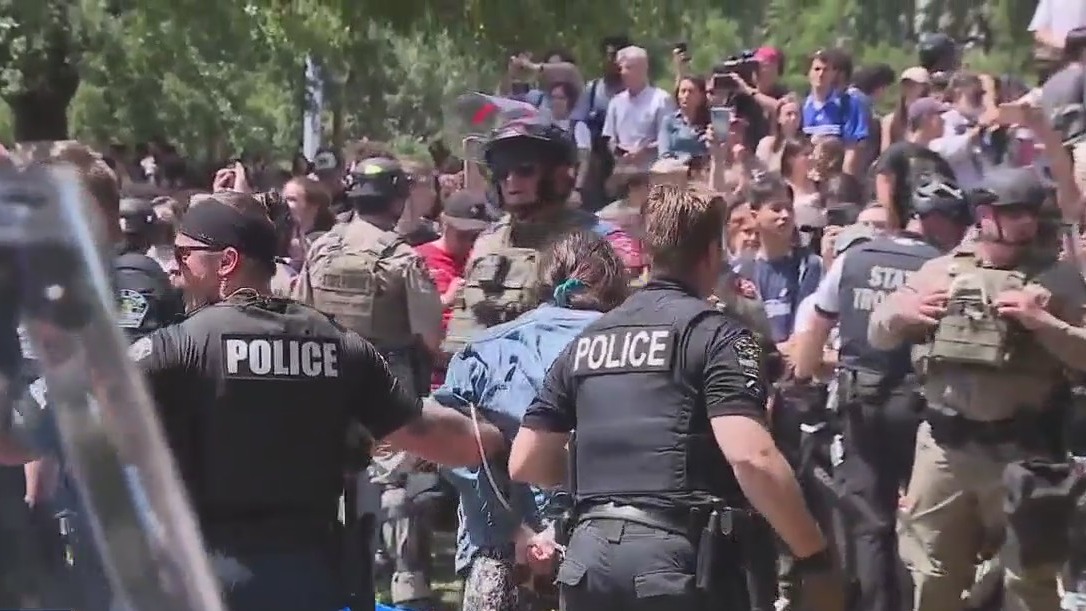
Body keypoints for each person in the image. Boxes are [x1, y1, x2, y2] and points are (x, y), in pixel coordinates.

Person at [135, 190, 508, 611]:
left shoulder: (179, 346)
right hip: (311, 574)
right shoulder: (339, 345)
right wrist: (502, 438)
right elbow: (423, 430)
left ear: (226, 262)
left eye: (185, 255)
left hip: (207, 574)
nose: (175, 267)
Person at [507, 184, 844, 611]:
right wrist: (814, 555)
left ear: (649, 255)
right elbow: (751, 458)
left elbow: (526, 461)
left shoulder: (590, 339)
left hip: (588, 560)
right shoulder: (719, 335)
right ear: (710, 254)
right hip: (677, 563)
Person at [869, 167, 1086, 611]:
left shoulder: (1057, 279)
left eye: (1031, 212)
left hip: (1023, 452)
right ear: (985, 215)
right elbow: (879, 332)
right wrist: (903, 313)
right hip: (945, 449)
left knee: (1030, 581)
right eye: (1015, 212)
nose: (1027, 221)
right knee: (932, 573)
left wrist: (1043, 323)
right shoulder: (938, 270)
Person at [794, 174, 972, 611]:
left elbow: (809, 347)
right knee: (923, 523)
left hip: (860, 405)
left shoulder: (852, 259)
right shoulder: (947, 267)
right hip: (923, 412)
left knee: (869, 523)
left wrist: (814, 370)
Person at [435, 230, 628, 611]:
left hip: (499, 556)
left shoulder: (484, 348)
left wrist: (518, 531)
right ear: (614, 282)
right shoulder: (631, 348)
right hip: (604, 551)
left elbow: (456, 447)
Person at [291, 156, 445, 608]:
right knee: (394, 482)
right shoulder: (401, 258)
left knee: (330, 480)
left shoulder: (322, 248)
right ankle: (407, 588)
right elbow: (431, 336)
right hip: (385, 378)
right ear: (397, 200)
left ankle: (337, 579)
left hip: (325, 375)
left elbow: (301, 312)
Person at [441, 104, 640, 357]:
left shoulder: (601, 240)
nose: (511, 181)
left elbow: (631, 328)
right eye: (503, 171)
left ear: (557, 175)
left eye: (524, 169)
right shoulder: (488, 241)